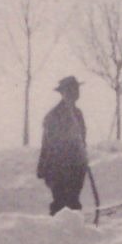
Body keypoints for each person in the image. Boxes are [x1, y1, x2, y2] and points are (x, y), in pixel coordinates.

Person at [36, 76, 88, 216]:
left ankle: (74, 232)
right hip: (58, 167)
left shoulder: (78, 114)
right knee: (60, 204)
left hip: (76, 166)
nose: (76, 92)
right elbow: (51, 143)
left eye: (77, 89)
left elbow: (83, 139)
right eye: (72, 89)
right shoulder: (53, 115)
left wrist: (83, 158)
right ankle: (57, 233)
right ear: (63, 93)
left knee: (74, 202)